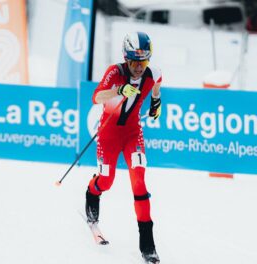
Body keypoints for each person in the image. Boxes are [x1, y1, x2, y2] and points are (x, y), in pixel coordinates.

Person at [85, 31, 162, 264]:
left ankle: (147, 245)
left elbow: (157, 85)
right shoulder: (115, 72)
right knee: (106, 181)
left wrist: (156, 103)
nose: (139, 67)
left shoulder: (153, 73)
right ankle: (91, 192)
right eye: (135, 62)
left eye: (144, 62)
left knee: (139, 179)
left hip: (132, 133)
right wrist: (118, 91)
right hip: (109, 134)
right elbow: (96, 97)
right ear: (126, 59)